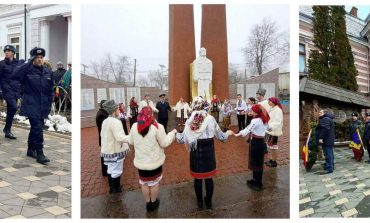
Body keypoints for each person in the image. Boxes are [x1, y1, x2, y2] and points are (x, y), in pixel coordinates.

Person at [176, 96, 233, 209]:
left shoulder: (190, 120)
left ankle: (200, 202)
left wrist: (174, 134)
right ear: (204, 105)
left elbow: (181, 139)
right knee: (208, 177)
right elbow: (221, 137)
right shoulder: (211, 118)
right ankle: (208, 201)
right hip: (208, 149)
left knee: (197, 178)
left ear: (194, 106)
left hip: (196, 150)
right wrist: (229, 133)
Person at [127, 106, 177, 211]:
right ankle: (153, 202)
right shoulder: (157, 127)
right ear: (150, 114)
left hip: (141, 162)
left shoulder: (134, 126)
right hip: (154, 161)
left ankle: (147, 203)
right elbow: (164, 143)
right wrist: (172, 133)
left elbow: (131, 141)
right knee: (154, 183)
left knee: (144, 182)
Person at [12, 47, 53, 164]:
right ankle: (40, 153)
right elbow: (15, 74)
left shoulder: (47, 71)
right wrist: (29, 62)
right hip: (31, 104)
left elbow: (50, 90)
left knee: (36, 128)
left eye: (41, 57)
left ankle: (30, 149)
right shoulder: (27, 70)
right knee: (38, 129)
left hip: (43, 105)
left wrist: (49, 104)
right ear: (33, 58)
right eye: (37, 57)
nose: (40, 60)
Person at [234, 104, 269, 191]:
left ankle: (257, 184)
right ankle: (257, 181)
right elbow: (269, 128)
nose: (251, 111)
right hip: (261, 142)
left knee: (256, 162)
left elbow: (247, 130)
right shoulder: (264, 119)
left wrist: (236, 134)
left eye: (252, 110)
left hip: (256, 143)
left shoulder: (256, 121)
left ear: (256, 112)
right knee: (259, 163)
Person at [100, 100, 130, 194]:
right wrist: (131, 138)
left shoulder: (105, 121)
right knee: (116, 170)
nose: (119, 110)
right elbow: (120, 137)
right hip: (115, 151)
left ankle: (112, 187)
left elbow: (102, 134)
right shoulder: (116, 122)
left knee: (110, 169)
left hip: (107, 151)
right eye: (117, 109)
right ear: (113, 111)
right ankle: (116, 189)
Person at [0, 45, 23, 139]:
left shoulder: (19, 63)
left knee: (11, 109)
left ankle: (7, 130)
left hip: (16, 90)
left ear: (13, 53)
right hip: (6, 89)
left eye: (8, 51)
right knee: (14, 107)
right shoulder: (1, 64)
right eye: (5, 51)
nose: (6, 52)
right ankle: (7, 128)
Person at [265, 97, 284, 167]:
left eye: (269, 101)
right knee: (270, 146)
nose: (268, 102)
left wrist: (269, 126)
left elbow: (278, 122)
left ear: (273, 102)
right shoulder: (272, 108)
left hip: (274, 131)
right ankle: (272, 159)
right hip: (270, 130)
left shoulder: (278, 110)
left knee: (274, 147)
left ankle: (274, 161)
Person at [315, 109, 335, 175]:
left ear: (324, 113)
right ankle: (330, 165)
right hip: (329, 140)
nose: (319, 113)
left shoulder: (325, 119)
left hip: (326, 140)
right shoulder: (328, 118)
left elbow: (325, 129)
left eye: (320, 112)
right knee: (330, 153)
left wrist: (321, 138)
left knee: (328, 154)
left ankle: (329, 168)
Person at [96, 100, 108, 177]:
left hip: (103, 137)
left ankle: (105, 170)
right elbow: (105, 127)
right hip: (103, 138)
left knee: (104, 154)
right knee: (104, 155)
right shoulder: (102, 115)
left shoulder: (101, 113)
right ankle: (105, 171)